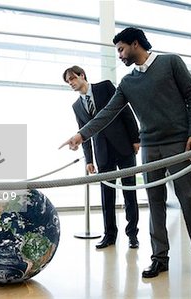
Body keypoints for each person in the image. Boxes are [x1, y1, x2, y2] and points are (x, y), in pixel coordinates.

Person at [60, 27, 191, 284]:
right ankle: (159, 257)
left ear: (135, 44)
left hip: (180, 143)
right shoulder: (127, 82)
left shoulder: (170, 62)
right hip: (151, 147)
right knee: (155, 201)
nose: (119, 55)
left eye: (121, 49)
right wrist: (81, 136)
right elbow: (106, 114)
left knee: (189, 199)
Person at [62, 65, 141, 249]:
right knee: (106, 196)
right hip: (102, 152)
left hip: (124, 146)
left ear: (82, 75)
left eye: (72, 79)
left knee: (130, 191)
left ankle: (132, 235)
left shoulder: (105, 87)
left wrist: (135, 138)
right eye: (68, 82)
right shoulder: (76, 106)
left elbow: (125, 111)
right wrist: (89, 159)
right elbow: (84, 133)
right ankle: (110, 235)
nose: (71, 83)